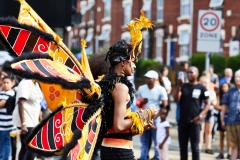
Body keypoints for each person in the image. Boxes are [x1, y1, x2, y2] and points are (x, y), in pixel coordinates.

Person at [98, 40, 158, 160]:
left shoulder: (107, 84)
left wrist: (140, 125)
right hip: (119, 152)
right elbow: (119, 125)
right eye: (133, 61)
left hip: (110, 148)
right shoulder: (121, 88)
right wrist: (145, 115)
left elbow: (114, 128)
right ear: (123, 63)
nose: (135, 66)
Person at [174, 66, 210, 160]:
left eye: (191, 72)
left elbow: (208, 104)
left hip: (195, 123)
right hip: (182, 122)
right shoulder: (183, 86)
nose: (189, 74)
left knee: (195, 148)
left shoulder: (202, 88)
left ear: (197, 74)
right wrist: (179, 86)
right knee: (183, 148)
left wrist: (200, 116)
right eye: (188, 72)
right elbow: (176, 99)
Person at [137, 70, 168, 160]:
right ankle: (143, 157)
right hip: (144, 118)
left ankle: (158, 158)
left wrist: (156, 117)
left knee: (157, 141)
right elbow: (138, 103)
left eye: (149, 78)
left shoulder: (161, 89)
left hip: (156, 119)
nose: (147, 79)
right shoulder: (141, 88)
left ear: (155, 79)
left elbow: (165, 106)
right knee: (144, 141)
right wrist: (142, 102)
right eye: (146, 78)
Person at [12, 79, 43, 160]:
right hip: (26, 121)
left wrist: (40, 117)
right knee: (32, 148)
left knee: (26, 148)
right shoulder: (25, 83)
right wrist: (23, 124)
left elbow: (37, 102)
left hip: (33, 121)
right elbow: (21, 102)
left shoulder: (35, 83)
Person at [221, 70, 240, 160]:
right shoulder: (230, 91)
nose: (237, 79)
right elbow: (225, 105)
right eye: (236, 77)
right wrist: (222, 118)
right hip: (231, 120)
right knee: (233, 145)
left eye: (239, 77)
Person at [198, 76, 217, 154]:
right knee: (201, 131)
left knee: (209, 131)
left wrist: (210, 103)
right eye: (204, 82)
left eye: (207, 82)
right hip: (202, 111)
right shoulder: (199, 91)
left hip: (210, 112)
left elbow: (215, 102)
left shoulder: (212, 92)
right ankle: (199, 147)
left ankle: (208, 148)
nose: (205, 84)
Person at [0, 75, 15, 160]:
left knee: (6, 143)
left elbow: (1, 104)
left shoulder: (11, 94)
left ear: (12, 83)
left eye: (7, 83)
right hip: (1, 124)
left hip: (7, 125)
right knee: (1, 143)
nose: (5, 84)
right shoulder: (2, 93)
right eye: (4, 83)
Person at [215, 82, 231, 159]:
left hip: (230, 117)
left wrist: (223, 107)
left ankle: (229, 153)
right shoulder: (219, 95)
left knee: (229, 136)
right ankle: (221, 152)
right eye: (222, 87)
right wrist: (224, 108)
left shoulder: (231, 95)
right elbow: (216, 106)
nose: (224, 88)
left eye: (225, 86)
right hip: (221, 116)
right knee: (221, 136)